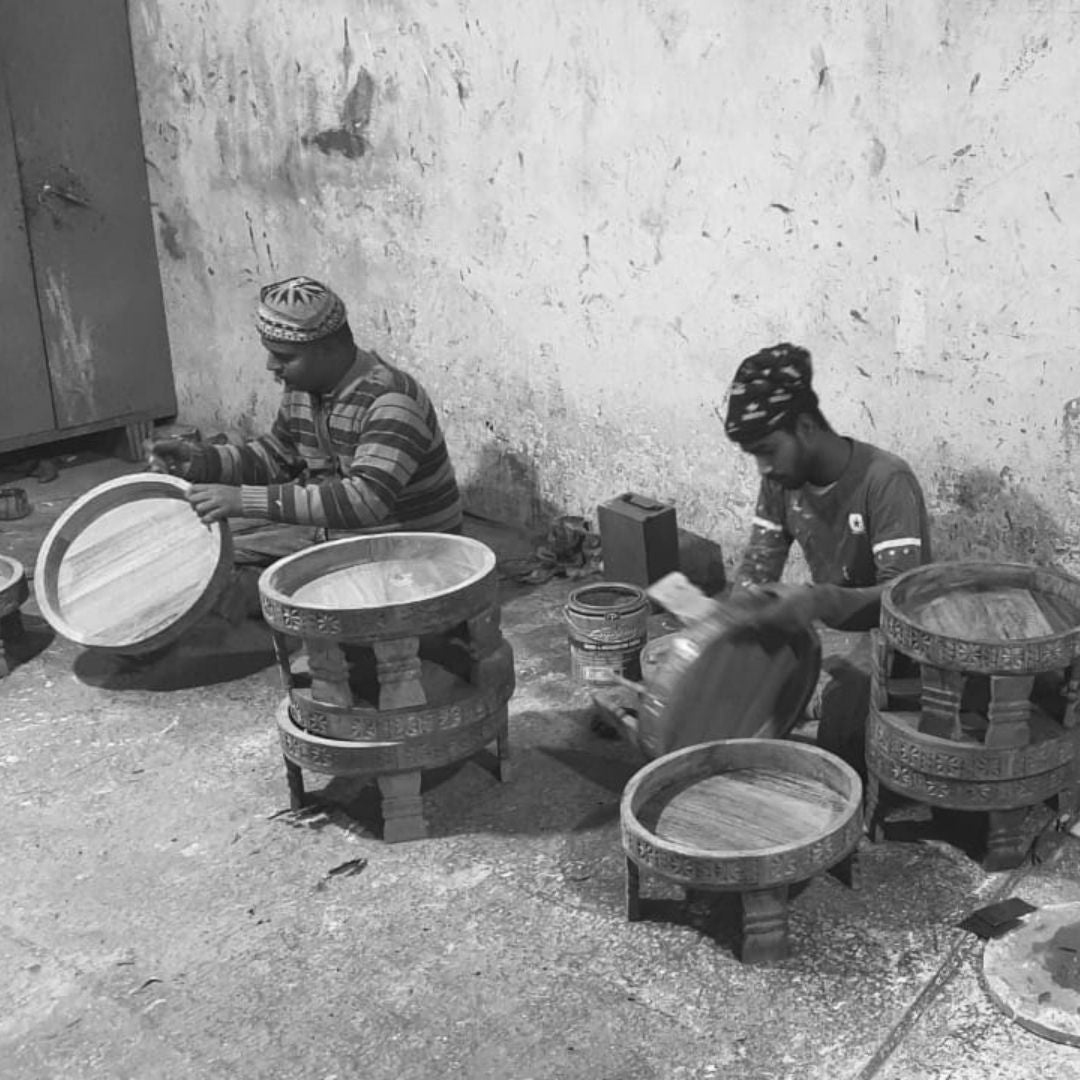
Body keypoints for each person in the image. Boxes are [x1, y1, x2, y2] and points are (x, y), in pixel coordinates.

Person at [147, 275, 463, 618]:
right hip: (336, 535)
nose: (272, 366)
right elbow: (276, 456)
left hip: (405, 553)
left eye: (283, 356)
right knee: (194, 549)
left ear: (328, 350)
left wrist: (243, 501)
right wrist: (198, 463)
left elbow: (363, 502)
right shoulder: (305, 388)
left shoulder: (391, 400)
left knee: (221, 585)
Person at [723, 342, 932, 770]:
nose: (763, 466)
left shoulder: (886, 480)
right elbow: (758, 569)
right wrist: (727, 622)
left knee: (840, 739)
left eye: (767, 449)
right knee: (724, 691)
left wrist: (816, 601)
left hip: (896, 639)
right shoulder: (781, 481)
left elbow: (902, 603)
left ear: (804, 426)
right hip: (835, 625)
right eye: (754, 456)